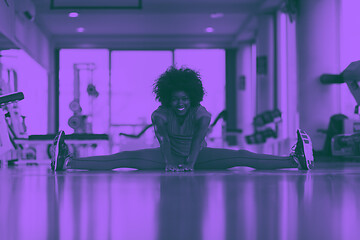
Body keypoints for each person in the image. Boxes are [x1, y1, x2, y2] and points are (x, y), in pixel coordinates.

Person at [51, 67, 314, 172]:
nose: (180, 103)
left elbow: (200, 139)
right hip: (167, 156)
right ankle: (68, 161)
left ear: (192, 98)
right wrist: (169, 162)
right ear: (167, 98)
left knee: (242, 155)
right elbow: (163, 140)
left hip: (197, 155)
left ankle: (294, 160)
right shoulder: (159, 114)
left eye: (184, 99)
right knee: (123, 159)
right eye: (175, 99)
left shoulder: (202, 113)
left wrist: (189, 164)